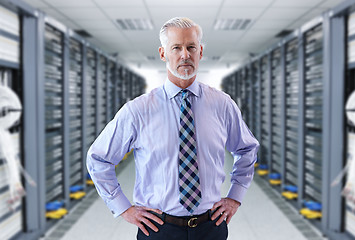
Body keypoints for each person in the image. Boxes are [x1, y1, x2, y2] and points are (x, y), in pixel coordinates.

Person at [86, 17, 259, 240]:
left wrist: (235, 196)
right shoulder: (137, 111)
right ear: (163, 53)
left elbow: (247, 149)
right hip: (158, 229)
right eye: (176, 47)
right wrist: (123, 208)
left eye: (191, 47)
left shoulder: (222, 104)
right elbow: (98, 159)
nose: (185, 55)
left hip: (211, 227)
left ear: (201, 52)